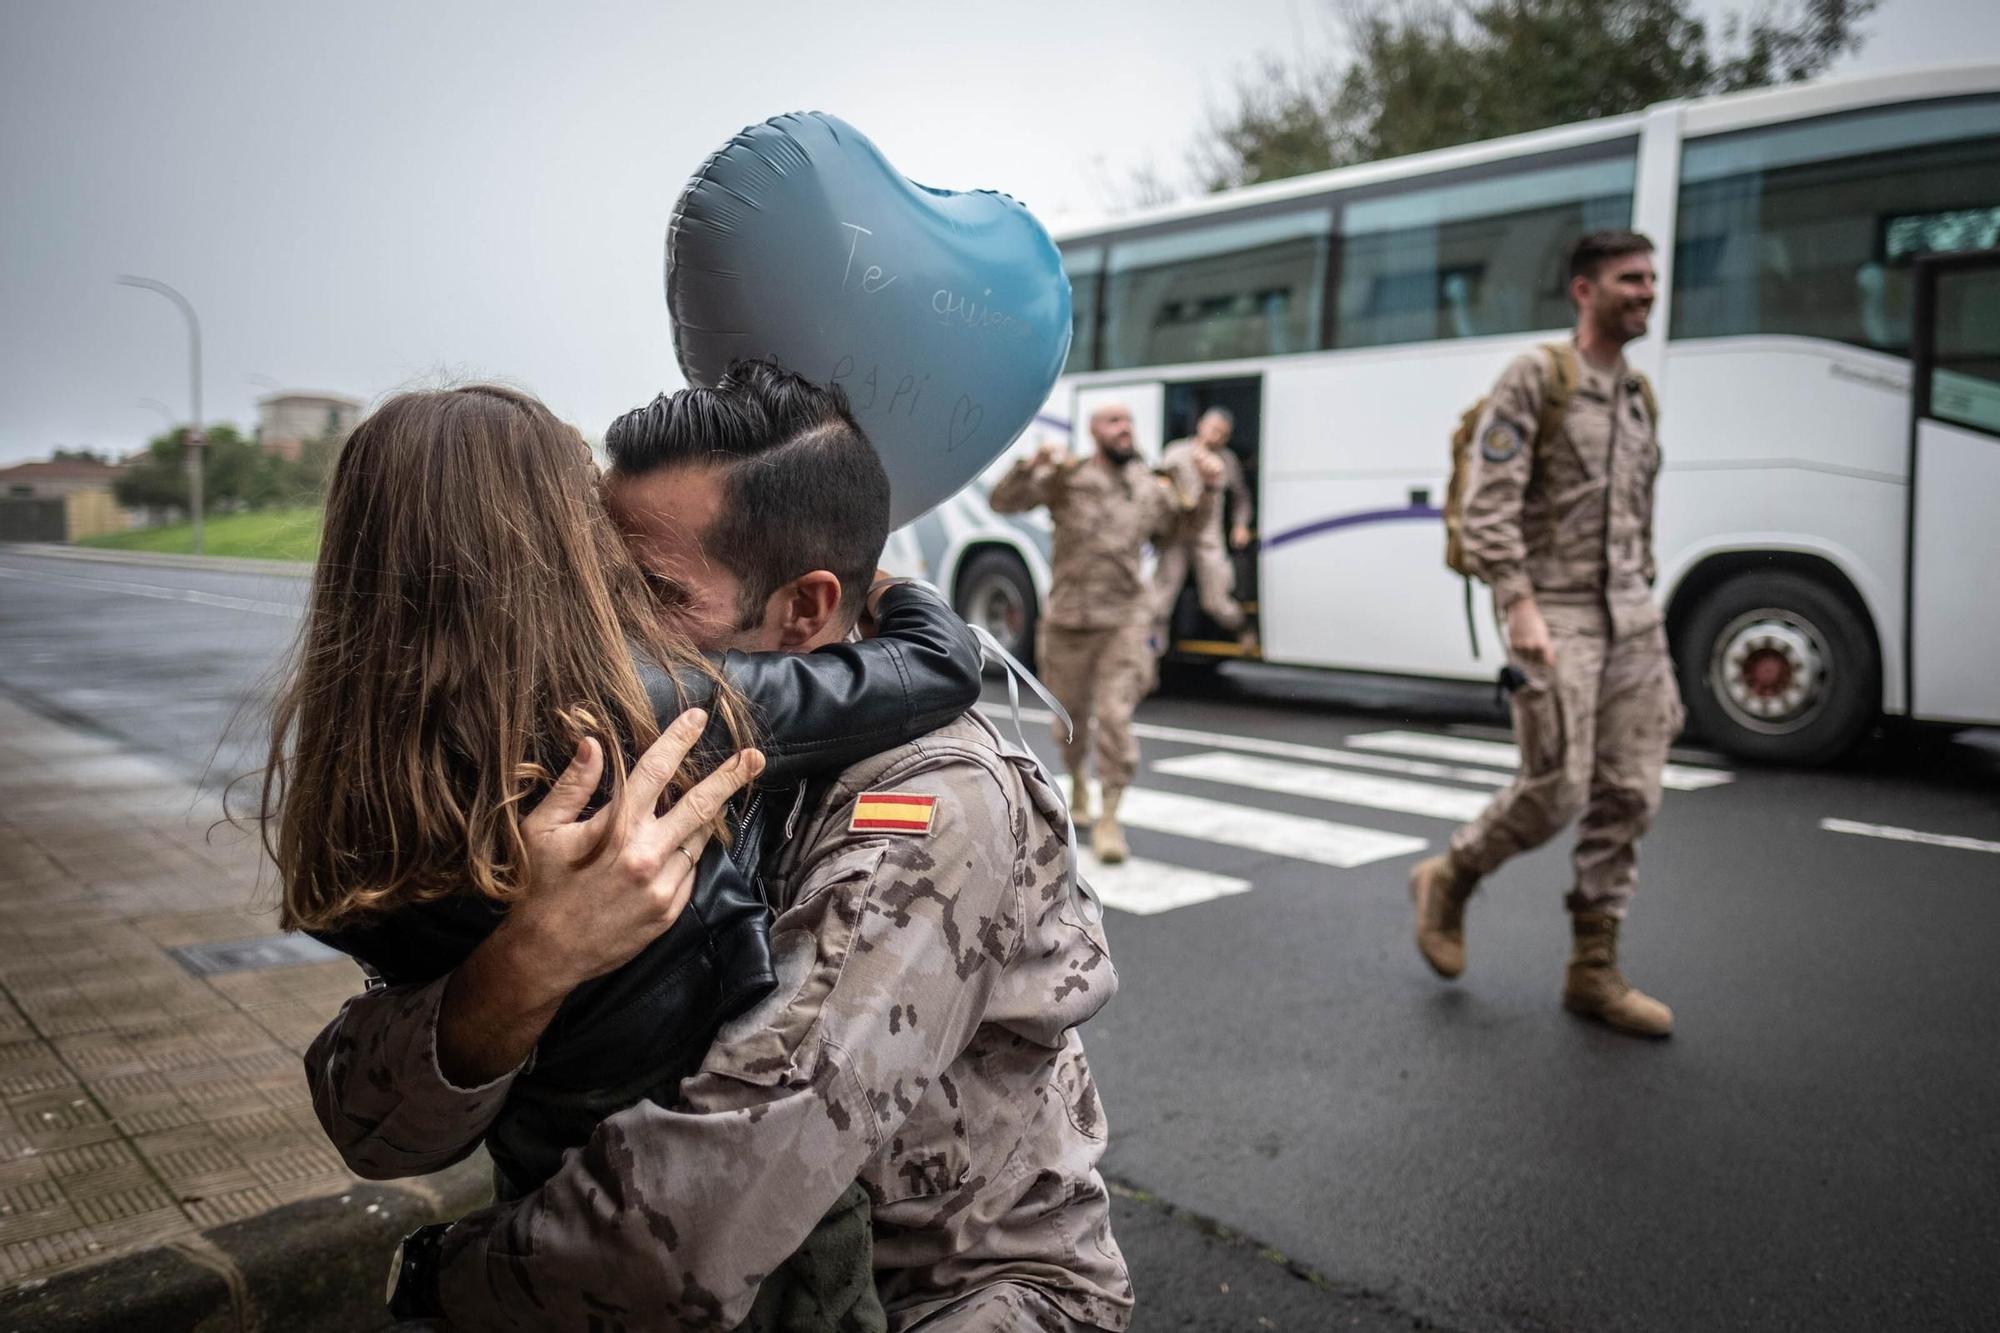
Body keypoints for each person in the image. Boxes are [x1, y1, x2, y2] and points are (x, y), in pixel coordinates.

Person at [307, 363, 1133, 1331]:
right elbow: (367, 1112)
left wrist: (448, 1280)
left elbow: (708, 1205)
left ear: (803, 608)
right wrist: (523, 963)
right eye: (588, 583)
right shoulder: (613, 741)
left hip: (963, 1300)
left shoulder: (930, 801)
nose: (599, 628)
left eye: (647, 593)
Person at [1409, 229, 1682, 1038]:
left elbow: (1637, 508)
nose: (1647, 292)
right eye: (1630, 279)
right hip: (1554, 606)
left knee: (1630, 790)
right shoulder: (1538, 375)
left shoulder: (1637, 395)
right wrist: (1518, 601)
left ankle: (1593, 970)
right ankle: (1452, 874)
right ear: (1584, 290)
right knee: (1556, 786)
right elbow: (1492, 499)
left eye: (1651, 279)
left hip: (1631, 616)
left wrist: (1646, 595)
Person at [989, 405, 1215, 864]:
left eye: (1129, 422)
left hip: (1125, 618)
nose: (1125, 429)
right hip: (1068, 618)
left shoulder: (1150, 488)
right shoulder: (1067, 479)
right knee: (1069, 720)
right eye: (1113, 422)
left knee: (1114, 716)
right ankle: (1077, 786)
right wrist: (1031, 465)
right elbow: (1004, 502)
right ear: (1094, 432)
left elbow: (1181, 530)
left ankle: (1111, 815)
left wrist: (1207, 489)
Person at [1152, 406, 1254, 650]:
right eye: (1214, 429)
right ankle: (1152, 656)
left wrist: (1241, 525)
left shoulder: (1226, 460)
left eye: (1223, 433)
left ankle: (1243, 628)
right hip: (1176, 534)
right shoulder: (1177, 452)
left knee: (1217, 600)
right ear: (1201, 425)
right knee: (1159, 601)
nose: (1217, 437)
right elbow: (1157, 487)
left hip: (1208, 535)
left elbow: (1241, 497)